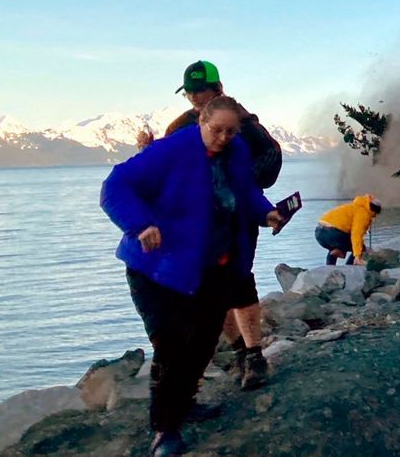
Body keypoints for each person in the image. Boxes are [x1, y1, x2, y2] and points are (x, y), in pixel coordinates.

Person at [102, 95, 284, 456]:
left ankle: (183, 403)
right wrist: (141, 224)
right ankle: (164, 429)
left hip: (213, 267)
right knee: (171, 345)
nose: (223, 138)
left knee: (202, 344)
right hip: (158, 268)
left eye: (231, 132)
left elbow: (245, 192)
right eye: (217, 130)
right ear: (201, 122)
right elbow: (115, 186)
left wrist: (266, 213)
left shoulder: (236, 151)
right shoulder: (171, 150)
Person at [138, 59, 284, 391]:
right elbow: (164, 167)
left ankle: (254, 355)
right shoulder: (180, 127)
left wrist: (244, 186)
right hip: (194, 224)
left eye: (199, 91)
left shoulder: (243, 123)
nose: (194, 97)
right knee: (210, 287)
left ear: (217, 89)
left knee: (239, 281)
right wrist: (148, 151)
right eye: (189, 92)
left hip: (235, 220)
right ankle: (238, 351)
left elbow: (271, 159)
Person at [316, 194, 382, 265]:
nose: (374, 216)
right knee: (360, 247)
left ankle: (330, 266)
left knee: (336, 247)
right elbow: (356, 235)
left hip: (319, 233)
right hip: (333, 233)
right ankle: (352, 265)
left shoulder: (353, 207)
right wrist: (358, 255)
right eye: (375, 214)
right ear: (374, 211)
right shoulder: (363, 214)